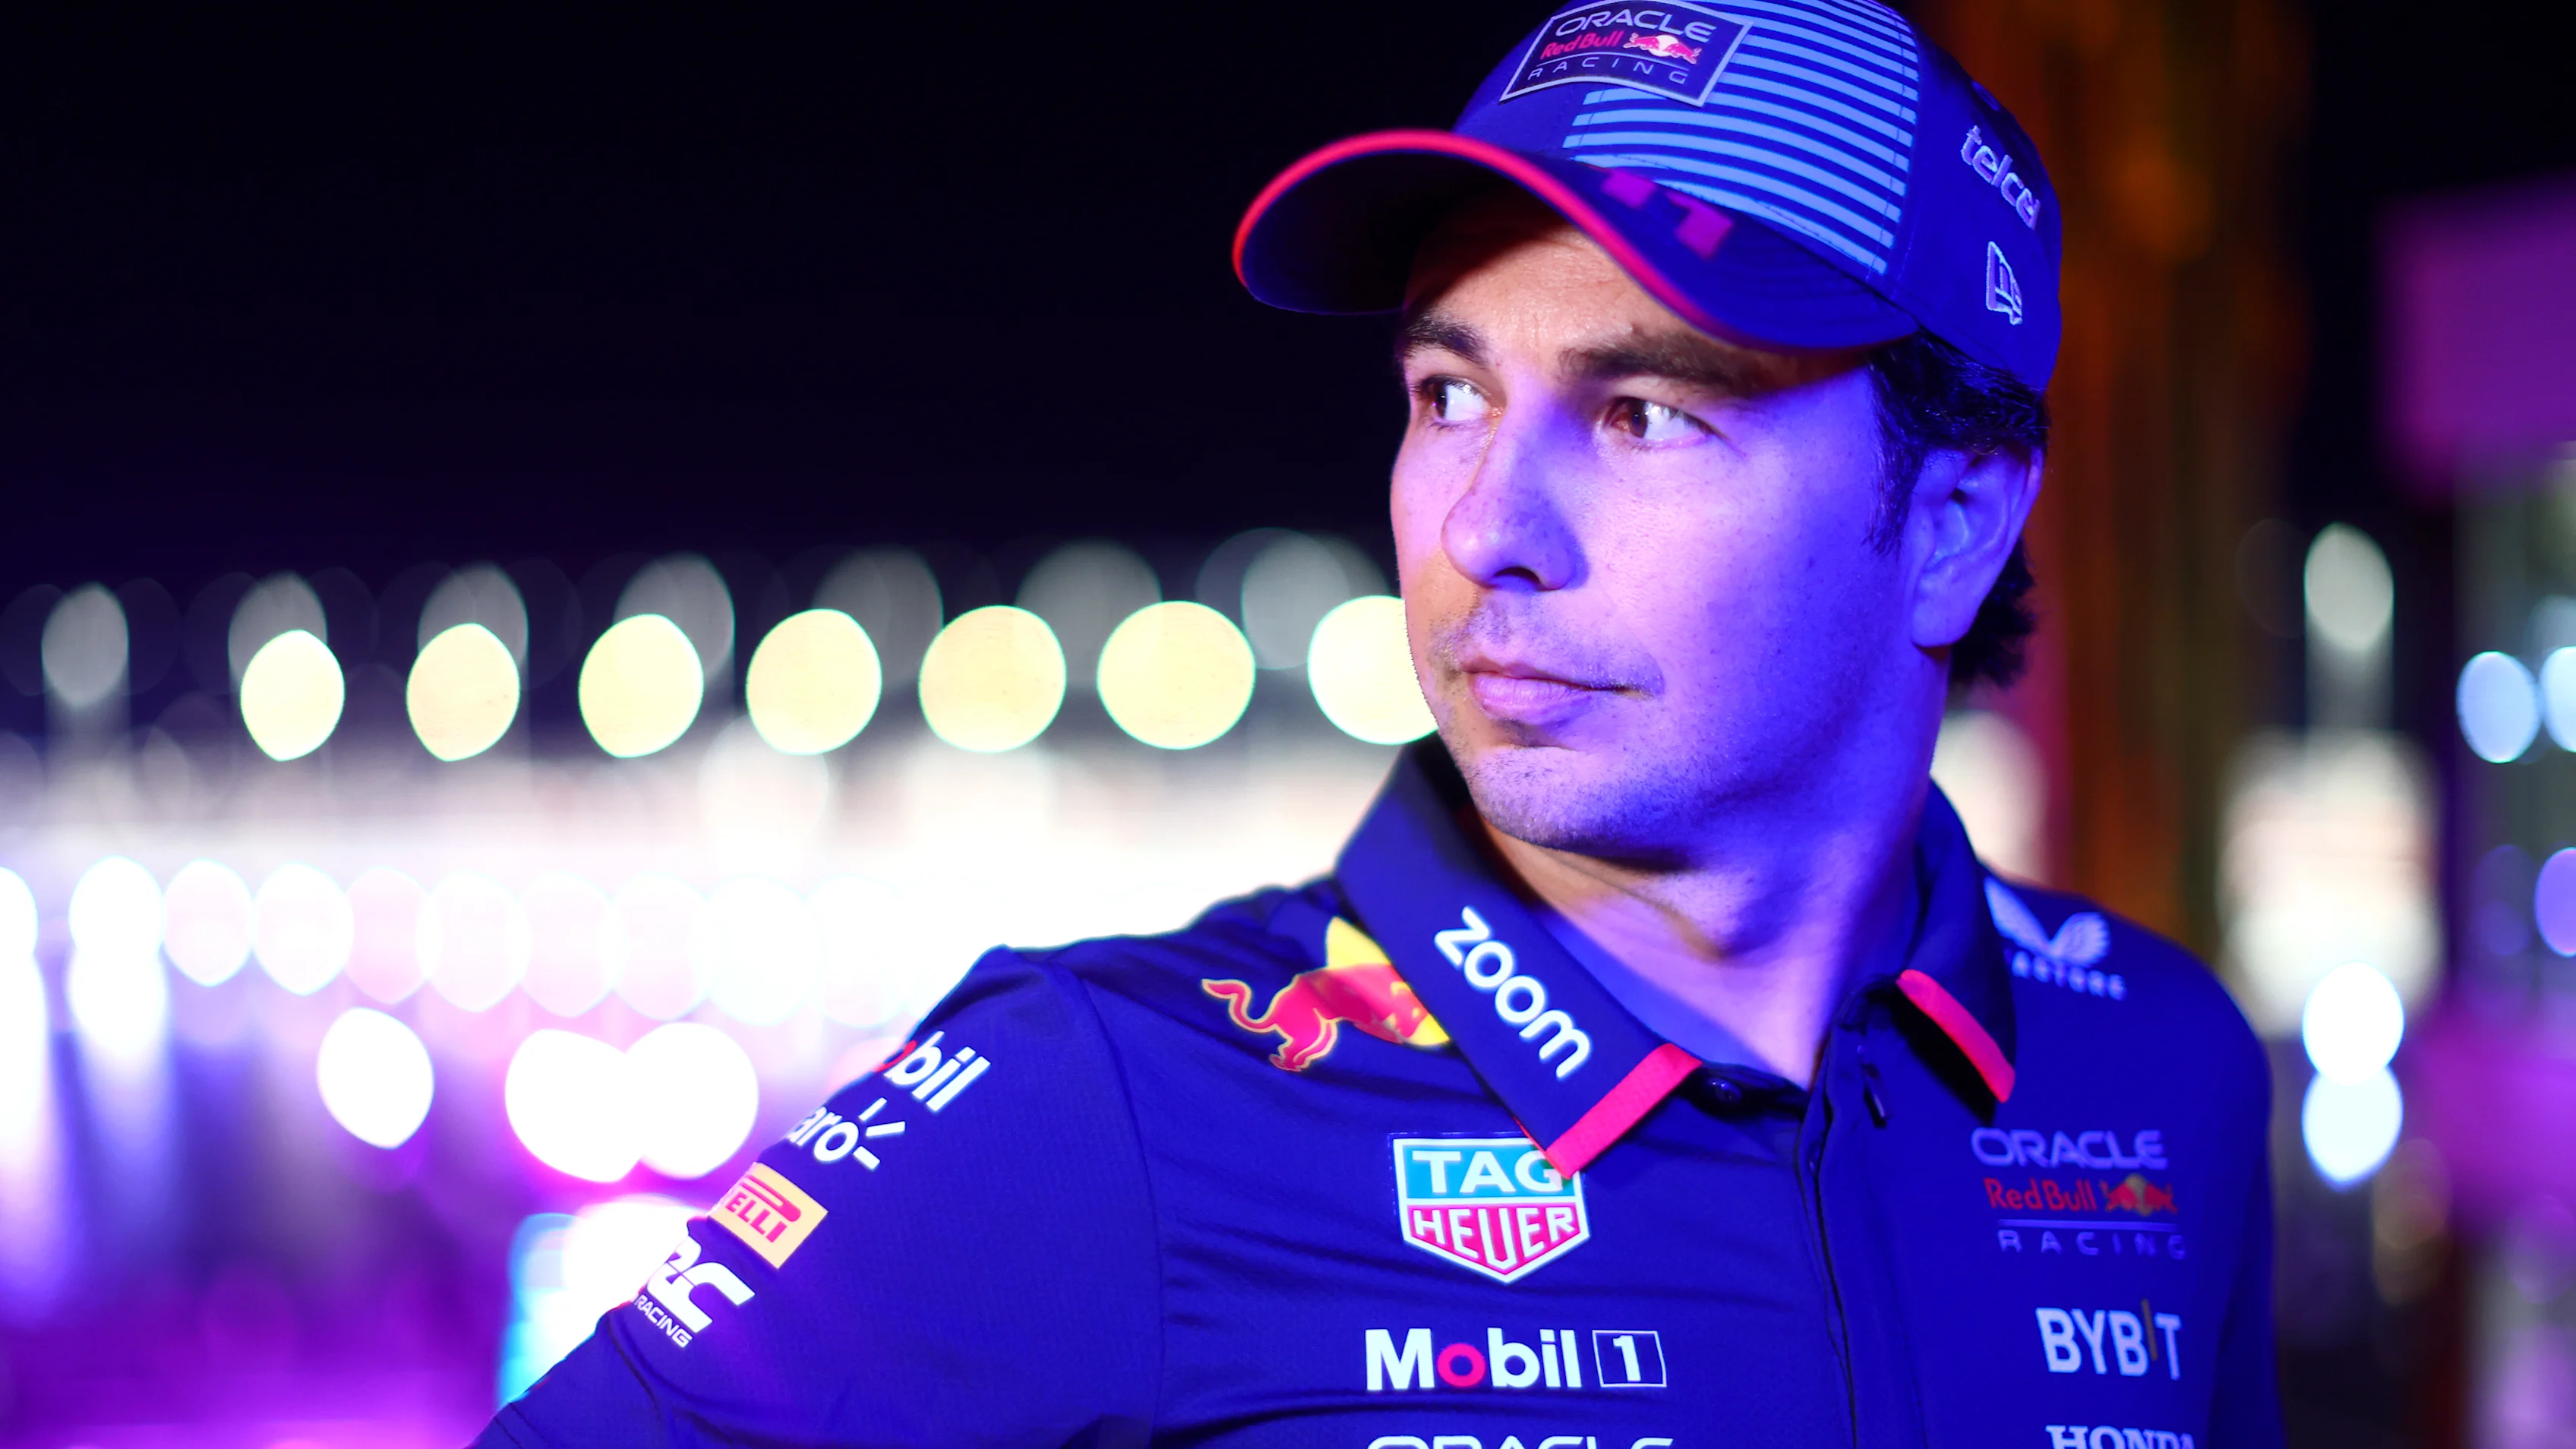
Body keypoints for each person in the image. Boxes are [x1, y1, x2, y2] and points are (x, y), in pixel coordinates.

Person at [479, 3, 2280, 1445]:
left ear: (1953, 517)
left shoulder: (2158, 1069)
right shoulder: (1093, 1097)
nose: (1484, 525)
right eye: (1446, 391)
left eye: (1647, 412)